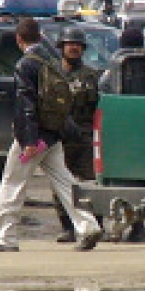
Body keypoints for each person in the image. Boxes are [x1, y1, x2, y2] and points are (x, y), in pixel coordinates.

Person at [0, 18, 103, 252]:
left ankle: (6, 239)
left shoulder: (25, 65)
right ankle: (88, 226)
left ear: (19, 39)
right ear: (40, 36)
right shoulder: (52, 60)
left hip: (33, 138)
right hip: (53, 135)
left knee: (12, 184)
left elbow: (26, 104)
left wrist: (28, 140)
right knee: (66, 182)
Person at [92, 26, 145, 243]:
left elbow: (103, 92)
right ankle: (138, 228)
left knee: (116, 180)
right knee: (138, 180)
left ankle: (119, 227)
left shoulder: (116, 65)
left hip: (118, 129)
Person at [51, 27, 103, 243]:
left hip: (85, 136)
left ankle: (96, 224)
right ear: (61, 46)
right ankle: (68, 227)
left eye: (77, 44)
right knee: (60, 185)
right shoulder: (51, 75)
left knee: (90, 183)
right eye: (69, 44)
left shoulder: (92, 76)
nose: (73, 48)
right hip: (60, 136)